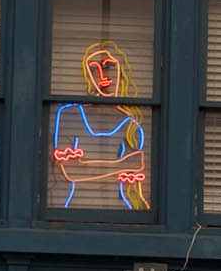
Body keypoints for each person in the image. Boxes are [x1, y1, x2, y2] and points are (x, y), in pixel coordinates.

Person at [51, 40, 149, 210]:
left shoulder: (131, 125)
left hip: (121, 211)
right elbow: (71, 172)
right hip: (75, 210)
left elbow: (138, 167)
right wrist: (123, 164)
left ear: (120, 71)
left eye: (109, 66)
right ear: (88, 75)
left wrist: (87, 164)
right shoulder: (70, 115)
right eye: (95, 69)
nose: (103, 76)